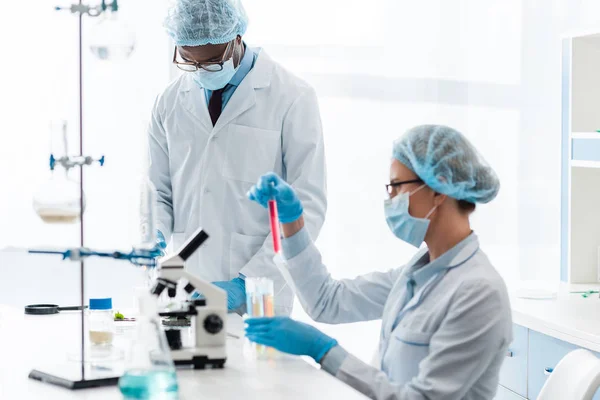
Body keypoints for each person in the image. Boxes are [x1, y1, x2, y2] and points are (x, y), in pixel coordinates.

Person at [245, 125, 512, 399]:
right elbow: (327, 301)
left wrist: (324, 350)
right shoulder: (418, 272)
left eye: (396, 186)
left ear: (439, 188)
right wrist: (291, 221)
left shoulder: (478, 293)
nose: (390, 200)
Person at [148, 0, 327, 314]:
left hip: (259, 293)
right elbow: (158, 192)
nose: (201, 71)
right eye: (190, 62)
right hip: (188, 284)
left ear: (237, 39)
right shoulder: (168, 102)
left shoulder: (293, 97)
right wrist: (155, 235)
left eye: (212, 62)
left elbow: (307, 206)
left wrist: (250, 281)